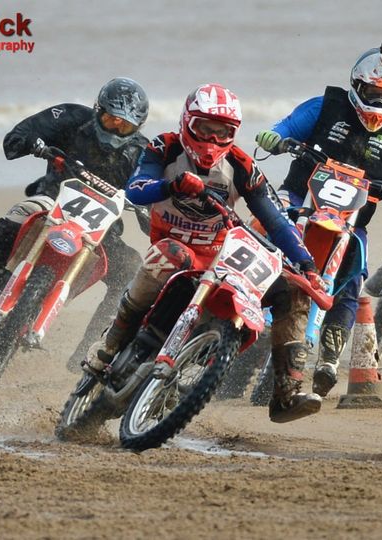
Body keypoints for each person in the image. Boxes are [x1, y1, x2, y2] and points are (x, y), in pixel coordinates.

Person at [85, 83, 326, 423]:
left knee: (296, 291)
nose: (212, 141)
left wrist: (307, 265)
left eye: (222, 132)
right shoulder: (164, 147)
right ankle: (109, 346)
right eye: (204, 130)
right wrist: (171, 185)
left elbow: (275, 219)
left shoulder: (241, 166)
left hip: (220, 256)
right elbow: (136, 191)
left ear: (233, 134)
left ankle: (287, 391)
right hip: (174, 247)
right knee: (169, 256)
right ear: (187, 122)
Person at [254, 42, 382, 397]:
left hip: (351, 223)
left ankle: (329, 356)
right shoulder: (327, 106)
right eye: (372, 93)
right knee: (261, 229)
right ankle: (232, 295)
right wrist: (275, 137)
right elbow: (286, 126)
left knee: (355, 274)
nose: (378, 102)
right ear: (357, 86)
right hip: (299, 199)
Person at [0, 77, 150, 368]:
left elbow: (155, 194)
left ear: (138, 127)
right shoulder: (71, 117)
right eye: (110, 119)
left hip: (100, 229)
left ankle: (93, 348)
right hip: (50, 203)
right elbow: (18, 135)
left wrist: (149, 209)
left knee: (131, 271)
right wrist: (36, 144)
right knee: (16, 217)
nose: (115, 129)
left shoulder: (144, 153)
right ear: (98, 109)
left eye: (124, 126)